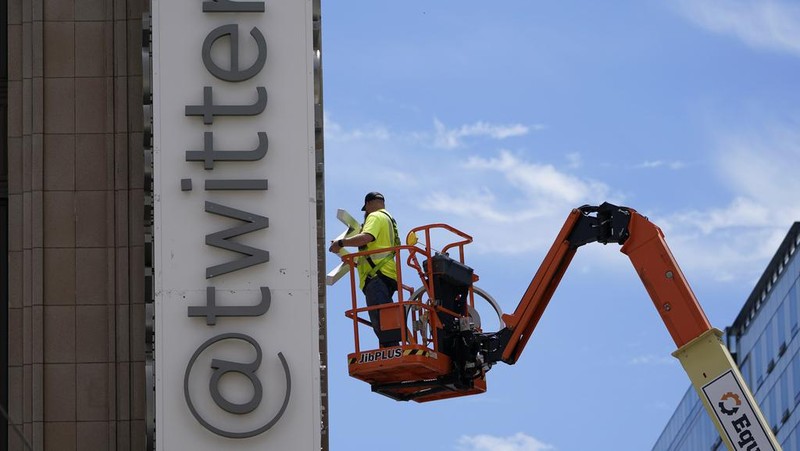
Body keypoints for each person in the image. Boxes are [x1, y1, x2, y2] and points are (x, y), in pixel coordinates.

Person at [329, 192, 401, 348]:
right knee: (385, 315)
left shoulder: (375, 217)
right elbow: (377, 250)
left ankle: (391, 349)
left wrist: (340, 243)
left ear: (369, 204)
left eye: (366, 209)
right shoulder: (390, 221)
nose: (366, 213)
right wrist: (354, 260)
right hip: (387, 273)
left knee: (380, 318)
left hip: (377, 276)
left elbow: (366, 238)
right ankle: (391, 346)